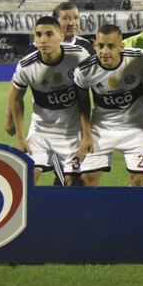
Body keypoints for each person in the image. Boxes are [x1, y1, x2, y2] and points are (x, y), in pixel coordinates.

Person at [8, 17, 90, 184]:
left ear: (61, 36)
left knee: (74, 183)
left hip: (72, 130)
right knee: (26, 180)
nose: (43, 39)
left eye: (49, 34)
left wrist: (88, 133)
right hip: (41, 131)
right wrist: (20, 137)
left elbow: (91, 92)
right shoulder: (26, 66)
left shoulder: (79, 56)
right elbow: (16, 98)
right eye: (38, 35)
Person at [73, 25, 143, 187]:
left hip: (136, 129)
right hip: (101, 129)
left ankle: (132, 212)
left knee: (138, 181)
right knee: (87, 180)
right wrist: (86, 135)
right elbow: (83, 103)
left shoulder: (142, 59)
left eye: (111, 46)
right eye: (101, 45)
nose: (105, 51)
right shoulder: (85, 70)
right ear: (94, 45)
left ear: (121, 47)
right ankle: (91, 212)